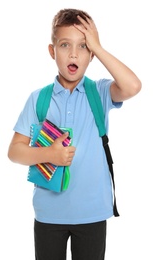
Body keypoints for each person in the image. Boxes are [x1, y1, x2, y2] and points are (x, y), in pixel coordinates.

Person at [8, 8, 141, 260]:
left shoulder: (99, 93)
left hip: (91, 213)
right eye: (65, 45)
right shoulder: (39, 98)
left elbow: (133, 86)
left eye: (83, 47)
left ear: (91, 55)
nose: (73, 53)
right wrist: (50, 154)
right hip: (49, 213)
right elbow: (14, 151)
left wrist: (98, 48)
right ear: (52, 51)